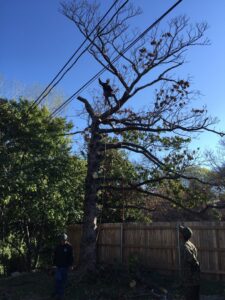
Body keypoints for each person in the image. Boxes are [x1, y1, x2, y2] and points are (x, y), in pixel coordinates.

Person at [179, 225, 200, 300]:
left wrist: (191, 275)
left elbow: (192, 260)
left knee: (191, 296)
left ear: (183, 235)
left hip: (190, 279)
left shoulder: (185, 247)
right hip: (194, 278)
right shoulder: (191, 244)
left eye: (180, 233)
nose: (179, 234)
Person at [52, 233, 74, 300]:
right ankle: (58, 294)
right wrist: (54, 265)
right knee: (58, 280)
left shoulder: (69, 247)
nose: (62, 241)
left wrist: (71, 265)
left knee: (63, 281)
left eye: (64, 240)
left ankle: (59, 294)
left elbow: (71, 257)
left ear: (66, 240)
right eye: (61, 240)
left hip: (65, 266)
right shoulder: (57, 247)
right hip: (58, 266)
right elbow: (55, 256)